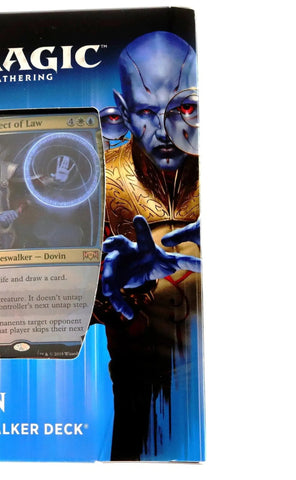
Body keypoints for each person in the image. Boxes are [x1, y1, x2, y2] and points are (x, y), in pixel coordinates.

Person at [94, 31, 202, 460]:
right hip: (139, 393)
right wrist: (114, 293)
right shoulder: (97, 181)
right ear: (122, 110)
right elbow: (54, 308)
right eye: (145, 111)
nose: (163, 131)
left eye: (181, 109)